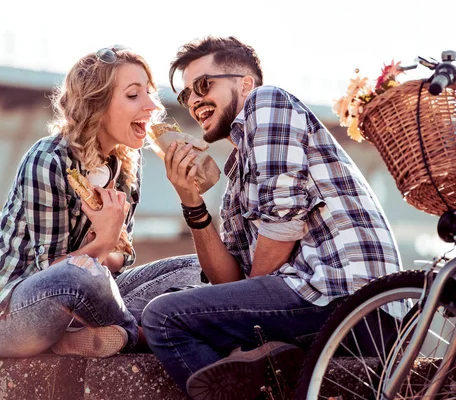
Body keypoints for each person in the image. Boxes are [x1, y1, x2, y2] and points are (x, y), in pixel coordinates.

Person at [141, 36, 402, 399]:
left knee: (164, 317)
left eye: (203, 85)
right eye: (187, 95)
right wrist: (192, 201)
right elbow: (227, 279)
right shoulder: (236, 177)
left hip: (349, 299)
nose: (194, 101)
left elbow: (283, 226)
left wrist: (240, 316)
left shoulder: (267, 102)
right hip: (313, 303)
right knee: (174, 304)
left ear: (245, 83)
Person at [0, 46, 203, 359]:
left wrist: (109, 244)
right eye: (134, 95)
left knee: (196, 268)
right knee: (81, 274)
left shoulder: (128, 162)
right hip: (7, 318)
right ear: (97, 105)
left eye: (149, 92)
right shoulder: (48, 161)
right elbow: (52, 274)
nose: (152, 105)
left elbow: (121, 260)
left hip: (88, 303)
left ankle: (83, 339)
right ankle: (143, 335)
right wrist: (103, 242)